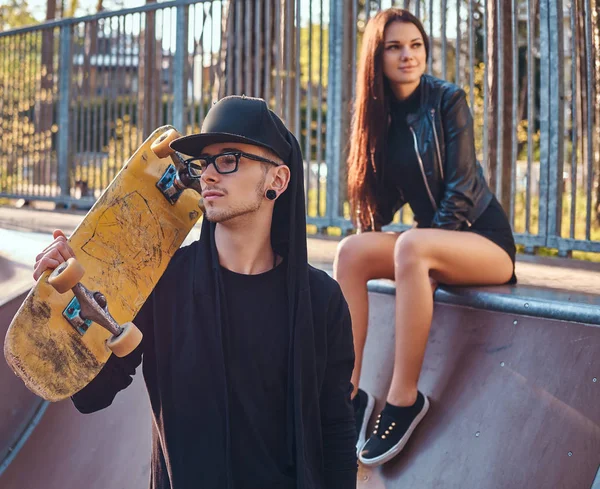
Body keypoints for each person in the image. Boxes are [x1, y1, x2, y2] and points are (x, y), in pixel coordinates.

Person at [34, 96, 358, 489]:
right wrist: (65, 306)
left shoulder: (322, 301)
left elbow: (336, 431)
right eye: (203, 163)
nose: (207, 176)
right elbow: (91, 398)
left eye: (229, 159)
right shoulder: (161, 283)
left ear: (278, 180)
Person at [333, 8, 517, 467]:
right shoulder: (379, 116)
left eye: (415, 45)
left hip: (484, 241)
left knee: (413, 245)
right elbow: (383, 200)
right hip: (432, 240)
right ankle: (348, 395)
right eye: (395, 47)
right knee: (352, 251)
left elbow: (462, 188)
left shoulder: (448, 101)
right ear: (377, 56)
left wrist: (421, 250)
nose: (407, 55)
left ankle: (403, 399)